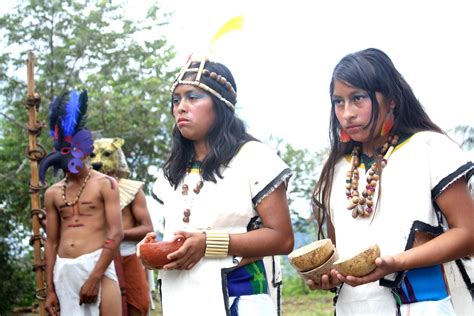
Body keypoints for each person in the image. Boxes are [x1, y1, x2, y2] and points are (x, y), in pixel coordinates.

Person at [309, 48, 474, 315]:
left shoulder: (430, 148)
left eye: (358, 98)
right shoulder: (336, 169)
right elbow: (338, 252)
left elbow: (468, 235)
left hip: (421, 305)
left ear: (392, 100)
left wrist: (396, 262)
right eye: (338, 102)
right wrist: (325, 275)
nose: (347, 113)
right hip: (353, 308)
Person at [137, 57, 294, 315]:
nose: (181, 108)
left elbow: (282, 238)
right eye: (176, 100)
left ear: (220, 105)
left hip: (238, 298)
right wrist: (153, 250)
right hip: (181, 300)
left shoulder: (254, 157)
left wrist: (209, 243)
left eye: (193, 97)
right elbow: (177, 236)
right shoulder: (173, 170)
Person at [40, 90, 123, 316]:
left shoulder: (106, 185)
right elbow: (51, 242)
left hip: (99, 266)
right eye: (59, 151)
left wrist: (95, 278)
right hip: (63, 271)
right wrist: (50, 290)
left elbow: (116, 233)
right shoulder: (53, 193)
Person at [91, 137, 153, 316]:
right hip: (96, 258)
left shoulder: (132, 190)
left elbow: (147, 228)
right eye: (93, 155)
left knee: (137, 305)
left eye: (106, 154)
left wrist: (117, 235)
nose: (98, 161)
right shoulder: (85, 192)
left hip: (127, 256)